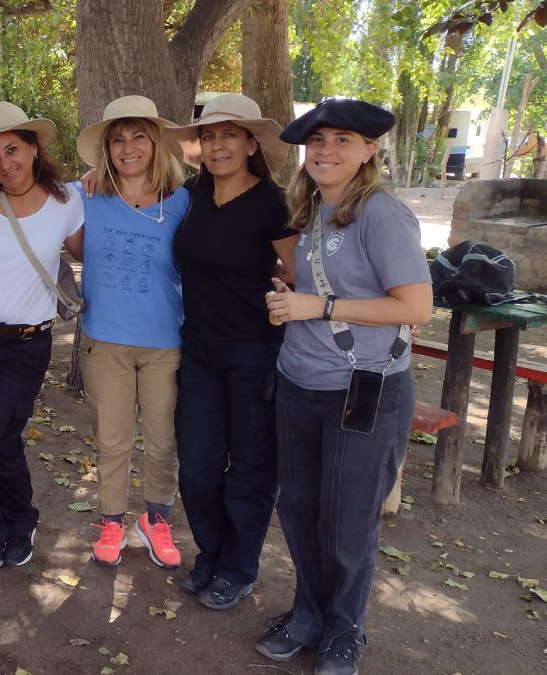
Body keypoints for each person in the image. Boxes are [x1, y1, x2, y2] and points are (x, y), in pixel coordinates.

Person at [260, 99, 432, 675]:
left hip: (365, 388)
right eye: (318, 142)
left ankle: (344, 629)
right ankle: (308, 613)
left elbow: (416, 306)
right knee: (301, 507)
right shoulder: (310, 210)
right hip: (297, 381)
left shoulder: (382, 214)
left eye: (341, 141)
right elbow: (312, 290)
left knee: (348, 518)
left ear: (368, 151)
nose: (326, 151)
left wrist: (321, 303)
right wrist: (288, 297)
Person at [161, 93, 297, 609]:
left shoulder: (273, 203)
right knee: (196, 464)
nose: (218, 145)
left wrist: (283, 292)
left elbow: (296, 275)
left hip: (255, 353)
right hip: (198, 351)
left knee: (251, 468)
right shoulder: (190, 193)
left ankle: (238, 568)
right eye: (210, 136)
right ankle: (212, 554)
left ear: (250, 143)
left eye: (229, 135)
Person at [0, 101, 84, 570]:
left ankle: (21, 517)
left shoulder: (69, 202)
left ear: (33, 148)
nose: (5, 163)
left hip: (24, 344)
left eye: (12, 150)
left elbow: (95, 249)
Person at [72, 96, 191, 571]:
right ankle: (111, 521)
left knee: (163, 439)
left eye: (138, 135)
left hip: (166, 341)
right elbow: (24, 191)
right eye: (117, 139)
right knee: (113, 439)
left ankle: (156, 519)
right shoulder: (83, 194)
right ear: (106, 149)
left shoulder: (185, 201)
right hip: (105, 339)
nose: (127, 147)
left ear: (157, 142)